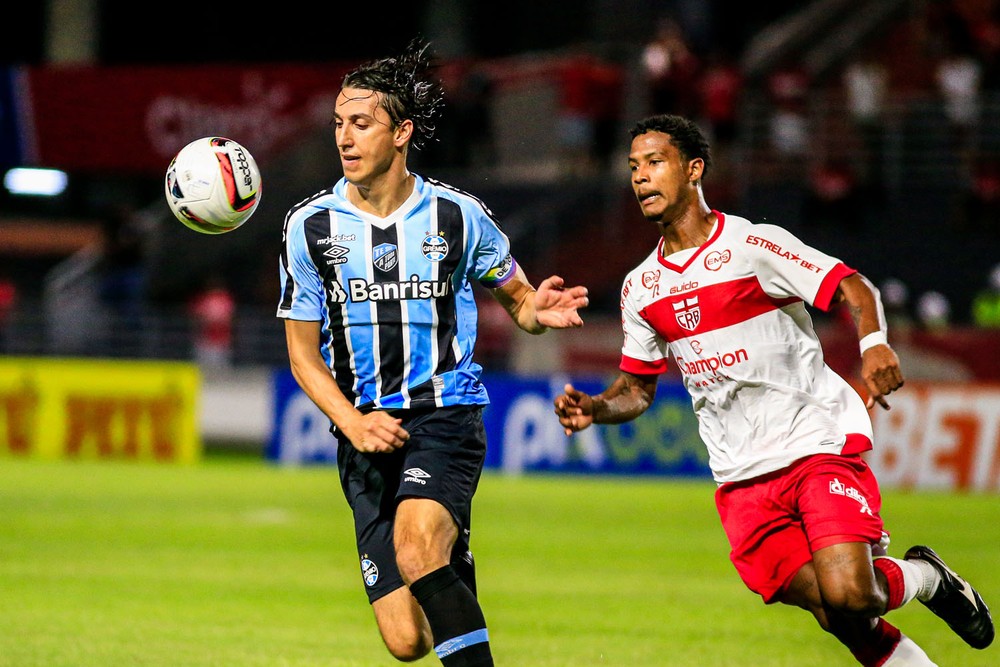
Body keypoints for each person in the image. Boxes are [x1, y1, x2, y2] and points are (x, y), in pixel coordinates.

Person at [553, 113, 993, 666]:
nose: (640, 177)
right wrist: (596, 407)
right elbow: (637, 389)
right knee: (843, 619)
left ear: (694, 170)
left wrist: (875, 343)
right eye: (634, 167)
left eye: (655, 162)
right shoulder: (640, 286)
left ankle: (927, 577)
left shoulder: (753, 244)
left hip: (813, 444)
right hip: (740, 477)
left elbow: (853, 286)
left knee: (852, 592)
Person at [276, 40, 589, 666]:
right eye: (339, 122)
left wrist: (536, 310)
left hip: (444, 415)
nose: (344, 136)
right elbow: (303, 356)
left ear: (402, 132)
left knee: (418, 549)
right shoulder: (308, 228)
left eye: (361, 123)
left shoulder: (458, 216)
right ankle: (452, 562)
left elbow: (520, 299)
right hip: (363, 433)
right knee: (406, 642)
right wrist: (353, 422)